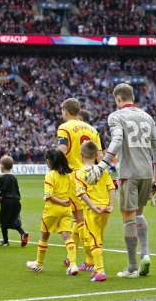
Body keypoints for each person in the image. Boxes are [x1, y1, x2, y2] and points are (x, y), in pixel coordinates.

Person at [86, 83, 156, 278]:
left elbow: (117, 140)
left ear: (118, 99)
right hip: (147, 172)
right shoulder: (147, 117)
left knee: (128, 218)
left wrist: (102, 165)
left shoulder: (116, 116)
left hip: (129, 173)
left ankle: (131, 266)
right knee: (139, 214)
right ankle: (145, 254)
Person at [57, 98, 103, 272]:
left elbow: (61, 151)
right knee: (84, 218)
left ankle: (90, 260)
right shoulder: (92, 129)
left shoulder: (64, 128)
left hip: (74, 176)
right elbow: (100, 156)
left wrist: (55, 168)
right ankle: (73, 257)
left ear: (66, 111)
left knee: (79, 219)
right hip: (91, 176)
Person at [26, 149, 77, 274]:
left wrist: (61, 202)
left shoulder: (50, 175)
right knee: (67, 235)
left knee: (44, 235)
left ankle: (38, 264)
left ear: (50, 161)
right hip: (66, 210)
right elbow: (72, 193)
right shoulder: (69, 175)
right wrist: (66, 202)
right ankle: (73, 265)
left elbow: (48, 195)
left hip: (52, 210)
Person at [74, 141, 115, 282]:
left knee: (94, 239)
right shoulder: (103, 170)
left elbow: (81, 193)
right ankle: (96, 267)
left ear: (81, 155)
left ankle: (100, 271)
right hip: (105, 209)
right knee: (99, 237)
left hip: (93, 211)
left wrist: (92, 207)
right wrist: (111, 205)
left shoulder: (79, 173)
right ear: (96, 155)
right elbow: (111, 188)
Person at [0, 155, 28, 247]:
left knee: (3, 222)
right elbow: (18, 191)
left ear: (2, 166)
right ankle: (23, 234)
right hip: (17, 202)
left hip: (7, 202)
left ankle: (5, 241)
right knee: (14, 221)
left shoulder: (1, 178)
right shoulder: (14, 177)